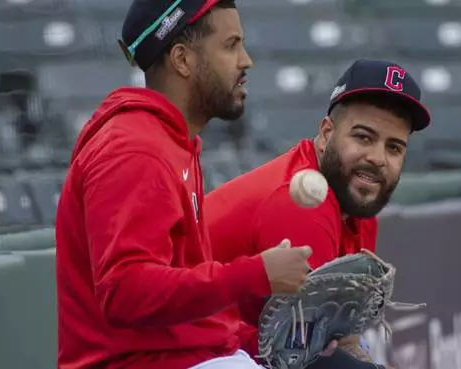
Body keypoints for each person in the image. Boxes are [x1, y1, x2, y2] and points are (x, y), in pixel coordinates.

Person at [54, 1, 316, 368]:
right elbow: (125, 292)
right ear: (183, 60)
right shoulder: (134, 150)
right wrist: (255, 274)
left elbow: (195, 324)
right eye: (231, 45)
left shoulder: (171, 142)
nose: (246, 61)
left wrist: (280, 340)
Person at [204, 59, 432, 368]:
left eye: (394, 148)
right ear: (326, 134)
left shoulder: (356, 203)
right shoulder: (302, 203)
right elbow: (301, 356)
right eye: (363, 137)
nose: (378, 158)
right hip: (176, 352)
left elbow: (341, 339)